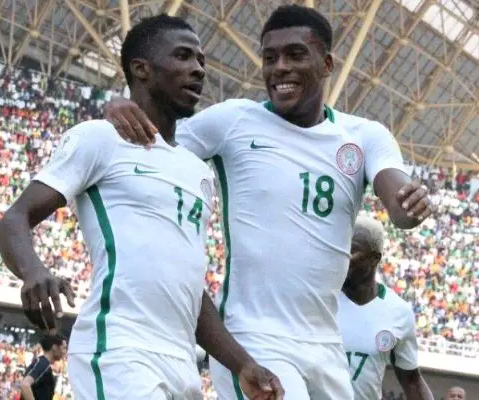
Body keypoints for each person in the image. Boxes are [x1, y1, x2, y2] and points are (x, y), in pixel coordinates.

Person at [101, 5, 433, 400]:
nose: (280, 68)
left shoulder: (364, 136)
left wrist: (409, 204)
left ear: (326, 64)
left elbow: (398, 197)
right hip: (253, 337)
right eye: (270, 57)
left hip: (326, 345)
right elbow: (152, 142)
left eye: (295, 55)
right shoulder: (233, 121)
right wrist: (119, 106)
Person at [0, 14, 283, 400]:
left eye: (201, 61)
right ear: (141, 69)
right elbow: (14, 219)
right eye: (183, 56)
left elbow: (190, 289)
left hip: (182, 363)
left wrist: (242, 363)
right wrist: (33, 271)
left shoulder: (197, 172)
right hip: (120, 350)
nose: (198, 69)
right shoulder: (101, 139)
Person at [338, 215, 433, 400]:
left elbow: (412, 381)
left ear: (375, 258)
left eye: (352, 250)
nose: (344, 256)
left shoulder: (398, 312)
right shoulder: (322, 298)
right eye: (342, 247)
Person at [19, 334, 67, 400]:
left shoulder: (44, 364)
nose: (65, 352)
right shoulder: (43, 363)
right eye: (64, 348)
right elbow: (24, 385)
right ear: (54, 347)